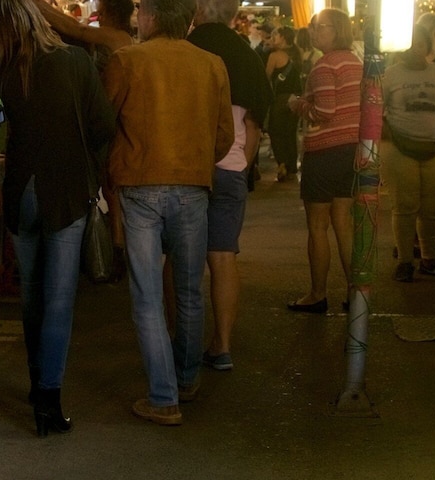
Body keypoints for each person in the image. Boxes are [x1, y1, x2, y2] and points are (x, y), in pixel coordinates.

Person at [0, 0, 117, 438]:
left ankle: (35, 380)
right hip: (67, 191)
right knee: (59, 299)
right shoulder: (75, 61)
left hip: (21, 191)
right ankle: (48, 400)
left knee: (32, 296)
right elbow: (102, 126)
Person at [105, 0, 233, 426]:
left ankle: (163, 397)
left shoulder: (127, 61)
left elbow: (105, 123)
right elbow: (224, 135)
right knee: (190, 291)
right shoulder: (212, 65)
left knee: (147, 297)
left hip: (140, 183)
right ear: (189, 19)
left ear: (151, 17)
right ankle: (187, 380)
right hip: (193, 185)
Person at [187, 0, 267, 371]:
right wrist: (242, 164)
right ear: (234, 14)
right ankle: (221, 345)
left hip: (185, 168)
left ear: (199, 10)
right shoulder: (247, 56)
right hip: (231, 166)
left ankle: (178, 342)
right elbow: (254, 124)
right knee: (223, 257)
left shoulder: (185, 49)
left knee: (178, 257)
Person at [285, 9, 361, 313]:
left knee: (317, 226)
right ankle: (355, 292)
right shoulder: (356, 63)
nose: (312, 31)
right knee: (344, 222)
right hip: (351, 150)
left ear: (336, 30)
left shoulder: (325, 66)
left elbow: (325, 112)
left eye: (319, 27)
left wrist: (298, 104)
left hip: (324, 152)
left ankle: (317, 294)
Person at [381, 13, 435, 282]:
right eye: (410, 44)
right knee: (404, 207)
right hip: (399, 148)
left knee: (431, 210)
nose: (415, 49)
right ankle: (405, 261)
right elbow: (373, 108)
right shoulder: (390, 75)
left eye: (420, 44)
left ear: (427, 45)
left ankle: (429, 259)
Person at [266, 26, 304, 180]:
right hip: (296, 99)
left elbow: (266, 78)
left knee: (276, 132)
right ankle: (292, 166)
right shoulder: (298, 54)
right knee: (290, 133)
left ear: (282, 37)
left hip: (281, 100)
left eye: (276, 35)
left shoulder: (275, 56)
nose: (273, 38)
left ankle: (282, 164)